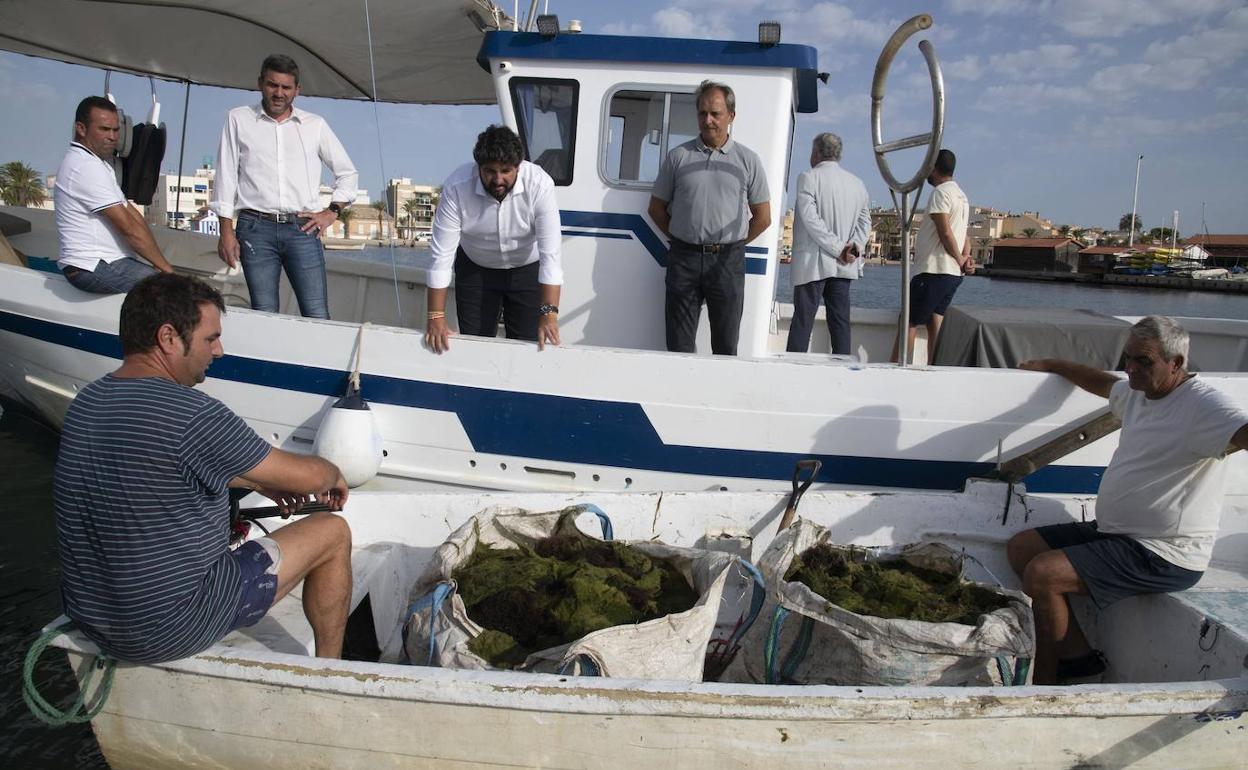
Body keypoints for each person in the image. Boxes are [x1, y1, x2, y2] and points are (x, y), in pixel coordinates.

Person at [55, 272, 354, 663]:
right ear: (168, 338)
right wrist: (333, 473)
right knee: (333, 531)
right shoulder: (194, 414)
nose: (219, 351)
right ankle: (330, 668)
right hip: (171, 628)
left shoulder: (87, 402)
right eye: (210, 338)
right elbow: (310, 478)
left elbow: (155, 467)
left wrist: (258, 481)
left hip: (93, 619)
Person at [1009, 316, 1248, 685]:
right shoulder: (1139, 392)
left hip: (1165, 551)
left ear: (1176, 363)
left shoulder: (1204, 406)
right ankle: (1078, 658)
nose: (1131, 369)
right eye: (1128, 359)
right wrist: (1053, 365)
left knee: (1044, 574)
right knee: (1023, 549)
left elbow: (1241, 431)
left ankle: (1044, 685)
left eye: (1144, 361)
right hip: (1118, 533)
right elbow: (1104, 383)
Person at [210, 54, 358, 319]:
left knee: (317, 314)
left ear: (297, 90)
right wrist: (226, 231)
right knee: (264, 313)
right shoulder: (238, 119)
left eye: (286, 87)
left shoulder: (315, 126)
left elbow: (348, 173)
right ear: (260, 84)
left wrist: (332, 211)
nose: (279, 93)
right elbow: (226, 176)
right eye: (272, 85)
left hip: (302, 227)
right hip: (255, 228)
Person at [648, 80, 771, 356]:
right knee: (678, 346)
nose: (708, 120)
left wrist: (733, 243)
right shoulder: (677, 157)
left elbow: (763, 217)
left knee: (726, 347)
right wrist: (683, 237)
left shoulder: (748, 161)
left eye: (715, 113)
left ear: (731, 116)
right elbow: (656, 208)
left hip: (728, 262)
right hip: (683, 259)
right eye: (703, 113)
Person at [424, 125, 562, 353]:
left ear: (519, 167)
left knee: (527, 347)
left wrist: (549, 314)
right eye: (489, 171)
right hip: (475, 270)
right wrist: (435, 316)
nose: (498, 179)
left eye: (506, 171)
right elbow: (441, 257)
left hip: (526, 269)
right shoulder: (456, 187)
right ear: (478, 167)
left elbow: (551, 258)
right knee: (475, 346)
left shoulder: (540, 184)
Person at [53, 96, 175, 293]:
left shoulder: (100, 165)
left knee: (170, 285)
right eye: (104, 129)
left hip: (108, 262)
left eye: (116, 130)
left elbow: (133, 216)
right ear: (81, 129)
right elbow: (129, 230)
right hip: (91, 266)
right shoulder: (84, 166)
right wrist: (167, 271)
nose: (112, 136)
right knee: (173, 292)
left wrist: (160, 265)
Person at [786, 133, 871, 354]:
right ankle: (842, 371)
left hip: (812, 264)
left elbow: (811, 219)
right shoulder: (857, 184)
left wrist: (838, 248)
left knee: (803, 322)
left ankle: (793, 370)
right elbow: (865, 223)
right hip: (844, 266)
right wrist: (853, 247)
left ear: (815, 153)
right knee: (840, 324)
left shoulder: (808, 178)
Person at [892, 148, 973, 363]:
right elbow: (964, 235)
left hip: (933, 270)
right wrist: (965, 258)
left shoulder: (941, 193)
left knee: (908, 321)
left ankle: (898, 369)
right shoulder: (961, 196)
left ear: (934, 169)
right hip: (952, 274)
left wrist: (959, 258)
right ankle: (933, 368)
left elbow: (945, 231)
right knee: (934, 320)